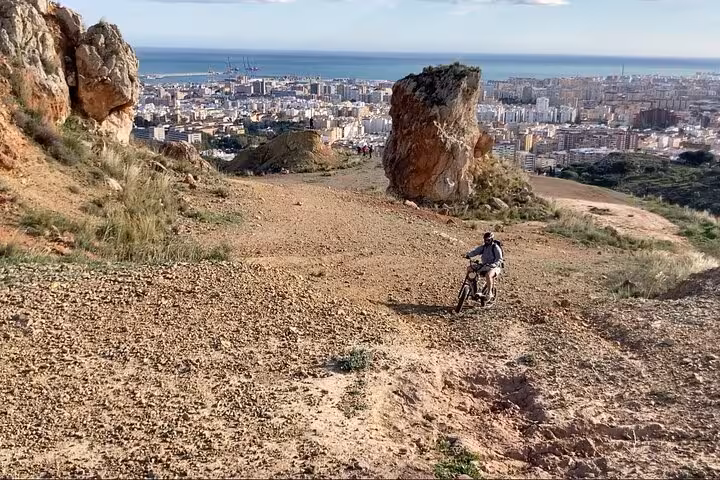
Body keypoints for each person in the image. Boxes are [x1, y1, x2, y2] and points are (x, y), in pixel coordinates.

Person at [464, 232, 503, 300]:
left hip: (494, 267)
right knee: (470, 268)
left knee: (488, 275)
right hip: (485, 265)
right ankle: (473, 288)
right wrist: (468, 255)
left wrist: (492, 265)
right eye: (485, 240)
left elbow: (499, 260)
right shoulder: (484, 247)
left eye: (488, 240)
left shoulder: (495, 247)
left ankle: (489, 293)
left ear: (491, 239)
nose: (486, 241)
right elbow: (476, 251)